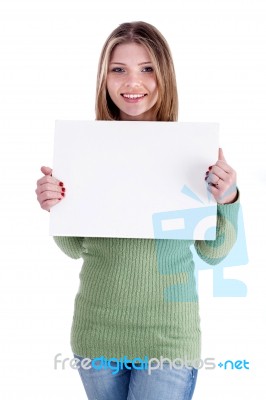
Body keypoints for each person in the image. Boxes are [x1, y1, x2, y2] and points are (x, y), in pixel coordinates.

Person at [36, 21, 239, 400]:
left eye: (147, 69)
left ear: (164, 75)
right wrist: (55, 203)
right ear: (105, 78)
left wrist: (228, 200)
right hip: (97, 333)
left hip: (168, 337)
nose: (133, 83)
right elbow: (73, 247)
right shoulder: (85, 149)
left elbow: (212, 254)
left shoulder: (192, 152)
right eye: (119, 70)